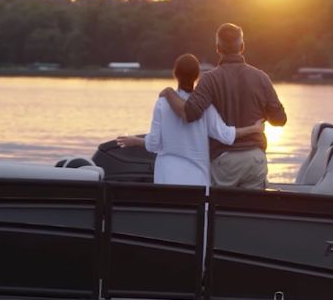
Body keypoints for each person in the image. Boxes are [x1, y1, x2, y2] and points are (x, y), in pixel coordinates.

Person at [160, 23, 287, 189]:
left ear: (217, 48)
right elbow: (279, 120)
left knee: (220, 212)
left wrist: (169, 92)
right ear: (242, 47)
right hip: (254, 159)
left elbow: (189, 114)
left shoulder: (209, 79)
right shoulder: (261, 78)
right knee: (253, 212)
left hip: (224, 161)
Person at [117, 53, 263, 186]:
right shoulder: (205, 107)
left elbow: (154, 144)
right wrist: (254, 129)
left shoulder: (162, 103)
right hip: (197, 182)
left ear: (175, 73)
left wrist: (135, 141)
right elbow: (226, 135)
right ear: (197, 75)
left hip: (166, 179)